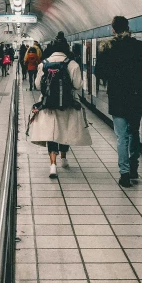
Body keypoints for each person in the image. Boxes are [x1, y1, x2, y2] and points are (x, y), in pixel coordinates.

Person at [96, 15, 142, 188]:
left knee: (121, 137)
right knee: (134, 132)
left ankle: (124, 174)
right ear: (128, 27)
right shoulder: (141, 46)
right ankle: (134, 167)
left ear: (113, 29)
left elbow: (99, 72)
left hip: (117, 98)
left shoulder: (108, 48)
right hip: (137, 97)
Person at [29, 36, 92, 178]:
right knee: (65, 131)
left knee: (52, 134)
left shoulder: (43, 64)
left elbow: (38, 85)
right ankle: (64, 159)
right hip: (67, 103)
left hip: (48, 105)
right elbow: (77, 85)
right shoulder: (73, 64)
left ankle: (52, 165)